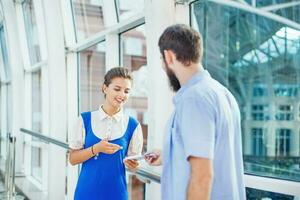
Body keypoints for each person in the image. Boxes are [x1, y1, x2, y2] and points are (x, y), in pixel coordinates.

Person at [146, 24, 246, 200]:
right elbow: (213, 152)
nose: (163, 66)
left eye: (162, 60)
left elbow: (202, 176)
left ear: (169, 56)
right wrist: (168, 153)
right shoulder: (223, 93)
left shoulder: (194, 98)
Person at [69, 67, 143, 200]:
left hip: (117, 193)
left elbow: (133, 165)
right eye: (117, 89)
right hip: (86, 192)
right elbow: (73, 159)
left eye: (127, 91)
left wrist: (134, 165)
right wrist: (97, 148)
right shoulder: (84, 120)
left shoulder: (133, 125)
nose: (122, 95)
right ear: (105, 88)